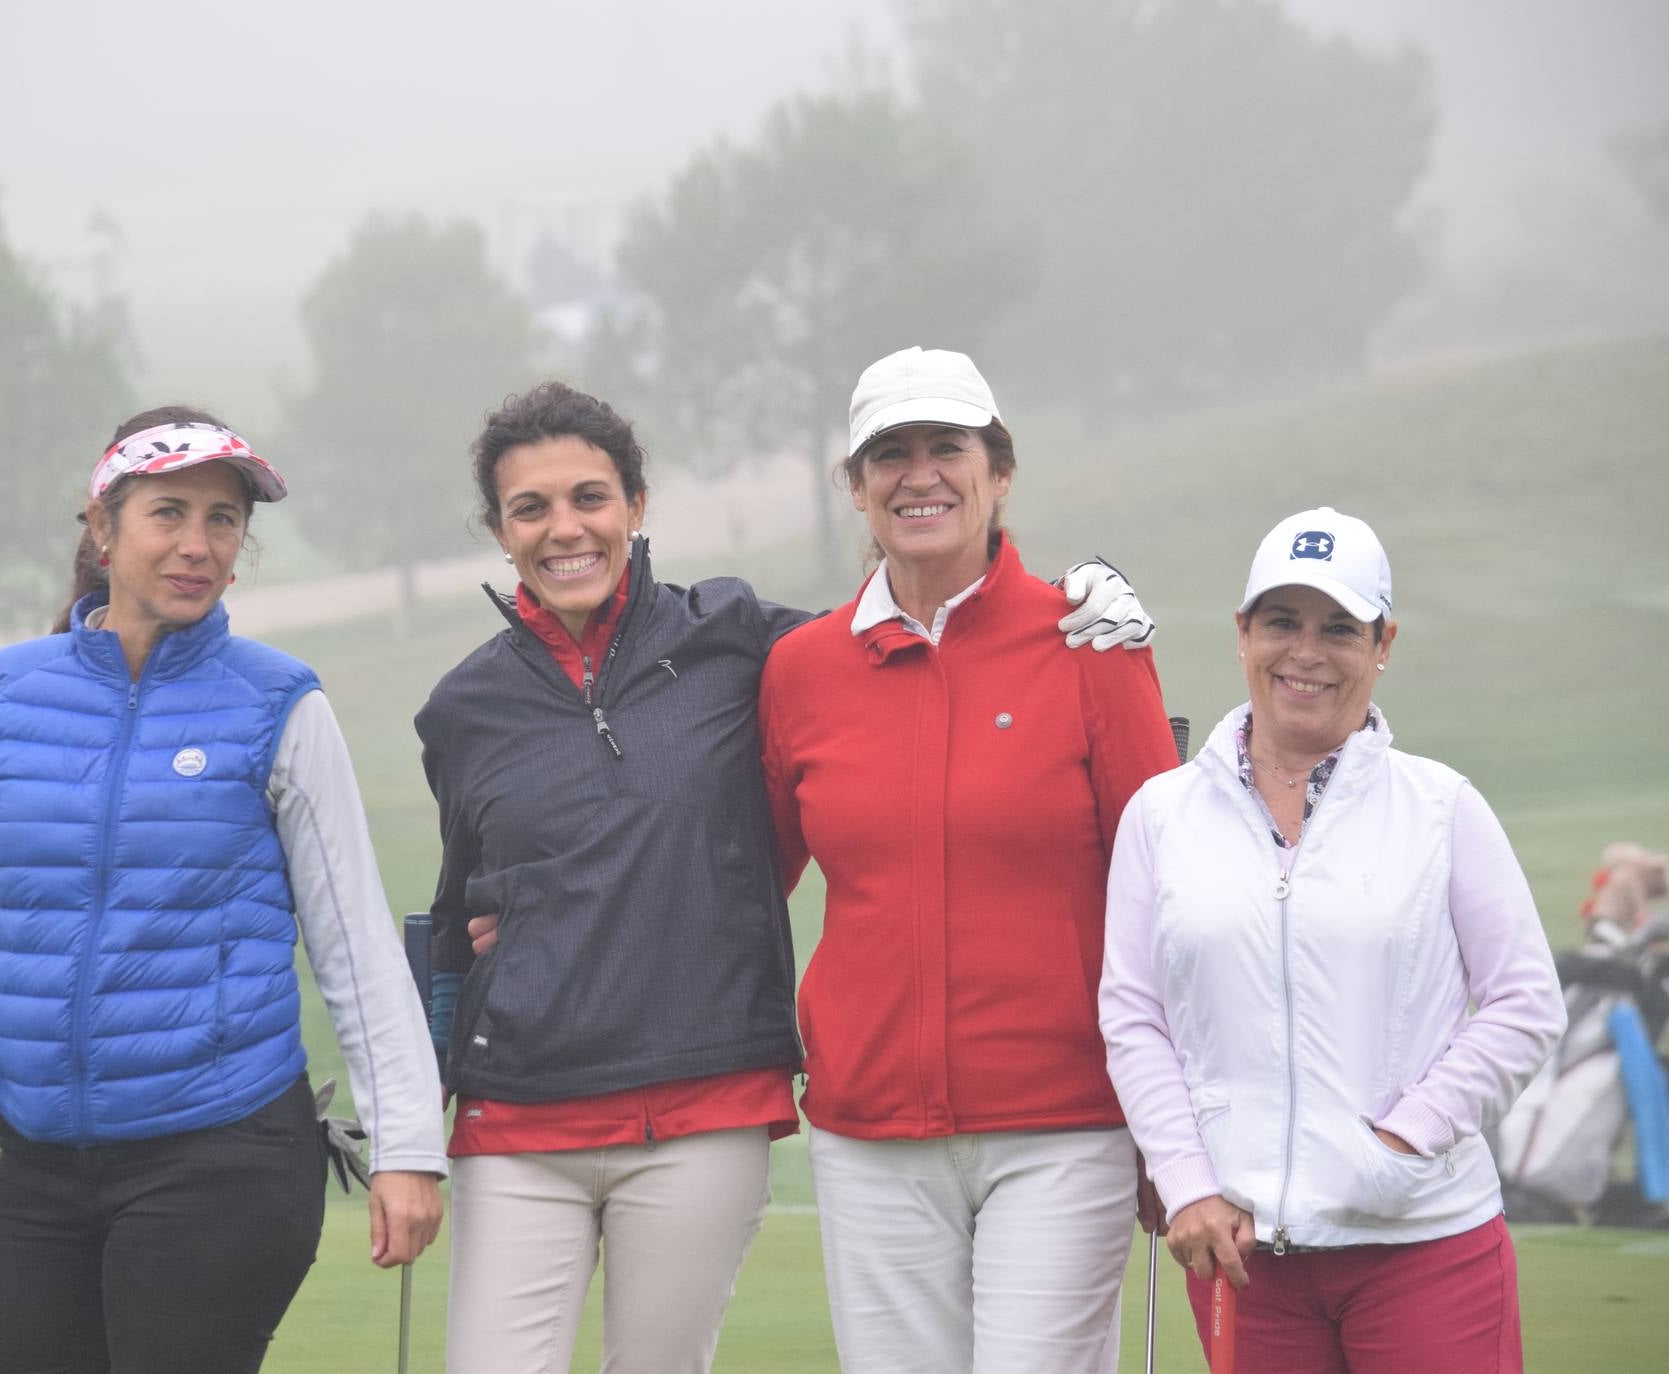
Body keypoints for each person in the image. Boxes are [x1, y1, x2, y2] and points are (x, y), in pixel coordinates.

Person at [419, 378, 1153, 1374]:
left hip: (922, 1108)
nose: (564, 529)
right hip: (618, 1104)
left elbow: (1160, 878)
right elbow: (472, 901)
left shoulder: (739, 639)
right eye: (529, 508)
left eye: (589, 497)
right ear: (498, 531)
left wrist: (1082, 588)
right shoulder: (475, 707)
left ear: (636, 507)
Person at [0, 405, 446, 1374]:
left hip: (226, 1156)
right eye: (169, 513)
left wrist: (407, 1148)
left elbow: (357, 946)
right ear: (101, 527)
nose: (199, 544)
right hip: (42, 1165)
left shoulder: (279, 704)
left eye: (223, 520)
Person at [758, 346, 1181, 1372]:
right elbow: (746, 884)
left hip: (1063, 1122)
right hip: (868, 1132)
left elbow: (1167, 889)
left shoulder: (1091, 641)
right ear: (854, 489)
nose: (920, 475)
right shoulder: (802, 668)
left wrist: (1181, 1127)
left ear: (998, 471)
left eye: (947, 447)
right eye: (888, 455)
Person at [1099, 506, 1566, 1372]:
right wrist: (1185, 1180)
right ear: (1242, 634)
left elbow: (1523, 1004)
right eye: (1281, 622)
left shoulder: (1441, 807)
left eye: (1338, 628)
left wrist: (1403, 1139)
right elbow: (1134, 1017)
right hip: (1240, 1252)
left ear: (1382, 643)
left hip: (1422, 1243)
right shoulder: (1159, 817)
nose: (1305, 652)